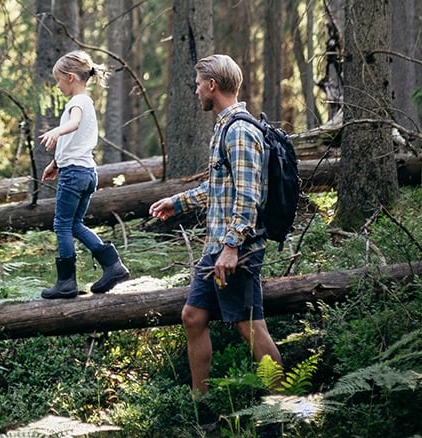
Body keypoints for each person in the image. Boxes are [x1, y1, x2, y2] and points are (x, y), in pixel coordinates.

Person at [149, 54, 282, 395]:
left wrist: (232, 246)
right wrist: (177, 203)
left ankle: (281, 412)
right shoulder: (225, 128)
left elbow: (249, 195)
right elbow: (221, 187)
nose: (196, 92)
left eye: (198, 85)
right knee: (192, 317)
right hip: (217, 249)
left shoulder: (238, 131)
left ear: (212, 85)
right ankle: (202, 406)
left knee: (250, 327)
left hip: (237, 250)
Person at [38, 50, 130, 299]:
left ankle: (66, 282)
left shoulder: (77, 103)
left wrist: (56, 131)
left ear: (70, 77)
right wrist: (55, 163)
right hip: (87, 172)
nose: (57, 85)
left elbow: (74, 125)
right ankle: (113, 266)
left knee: (62, 225)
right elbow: (74, 141)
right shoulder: (86, 102)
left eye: (58, 80)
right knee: (75, 224)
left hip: (75, 175)